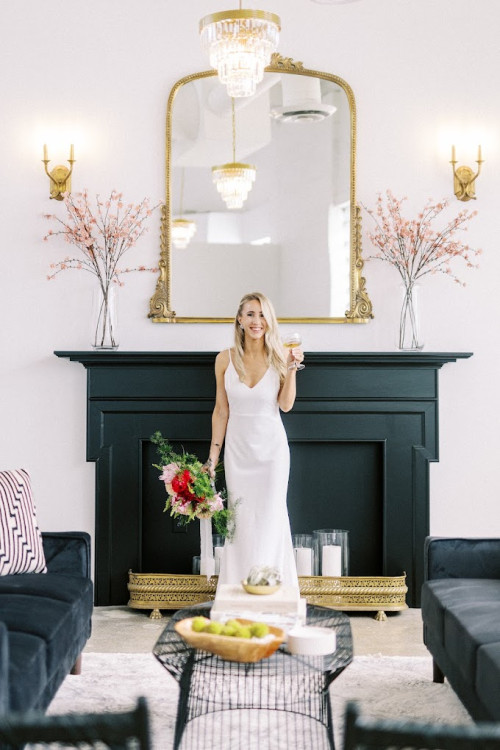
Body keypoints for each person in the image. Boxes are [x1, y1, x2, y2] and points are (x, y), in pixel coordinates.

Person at [203, 291, 305, 588]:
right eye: (250, 314)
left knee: (272, 517)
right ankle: (239, 588)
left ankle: (272, 589)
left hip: (272, 452)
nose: (256, 321)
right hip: (238, 452)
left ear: (269, 320)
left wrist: (292, 368)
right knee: (242, 521)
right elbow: (221, 411)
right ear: (239, 319)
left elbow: (285, 405)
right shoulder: (224, 359)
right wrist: (213, 456)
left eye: (262, 315)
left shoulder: (280, 356)